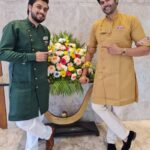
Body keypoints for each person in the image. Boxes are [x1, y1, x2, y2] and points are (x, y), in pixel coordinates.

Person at [80, 0, 150, 150]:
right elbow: (90, 50)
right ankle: (127, 135)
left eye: (108, 0)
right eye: (102, 2)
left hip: (122, 75)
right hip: (102, 75)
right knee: (97, 106)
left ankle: (111, 141)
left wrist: (122, 51)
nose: (105, 4)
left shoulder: (131, 20)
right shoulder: (96, 25)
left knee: (115, 109)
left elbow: (146, 48)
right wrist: (84, 72)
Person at [0, 0, 54, 150]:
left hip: (41, 84)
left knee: (36, 121)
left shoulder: (45, 32)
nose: (42, 11)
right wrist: (32, 56)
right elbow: (2, 53)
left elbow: (45, 57)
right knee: (23, 122)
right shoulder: (14, 26)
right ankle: (49, 132)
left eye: (45, 9)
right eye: (38, 7)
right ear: (29, 7)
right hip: (22, 84)